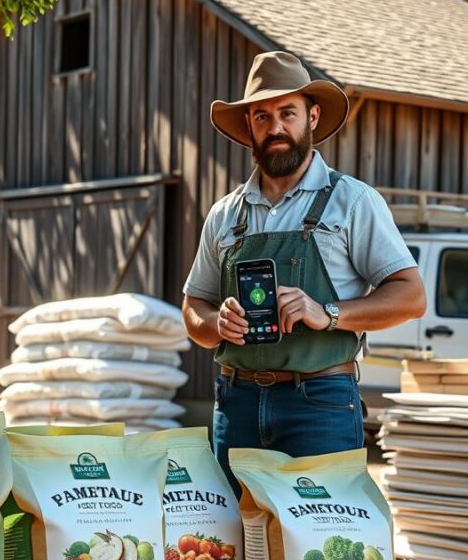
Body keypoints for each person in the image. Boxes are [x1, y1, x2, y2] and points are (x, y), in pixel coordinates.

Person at [181, 51, 426, 489]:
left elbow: (411, 296)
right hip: (235, 403)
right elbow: (193, 307)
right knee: (235, 545)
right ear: (249, 127)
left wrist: (328, 312)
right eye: (262, 116)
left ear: (312, 117)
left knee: (320, 549)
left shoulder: (353, 201)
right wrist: (216, 324)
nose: (275, 127)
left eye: (287, 113)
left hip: (321, 405)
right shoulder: (224, 214)